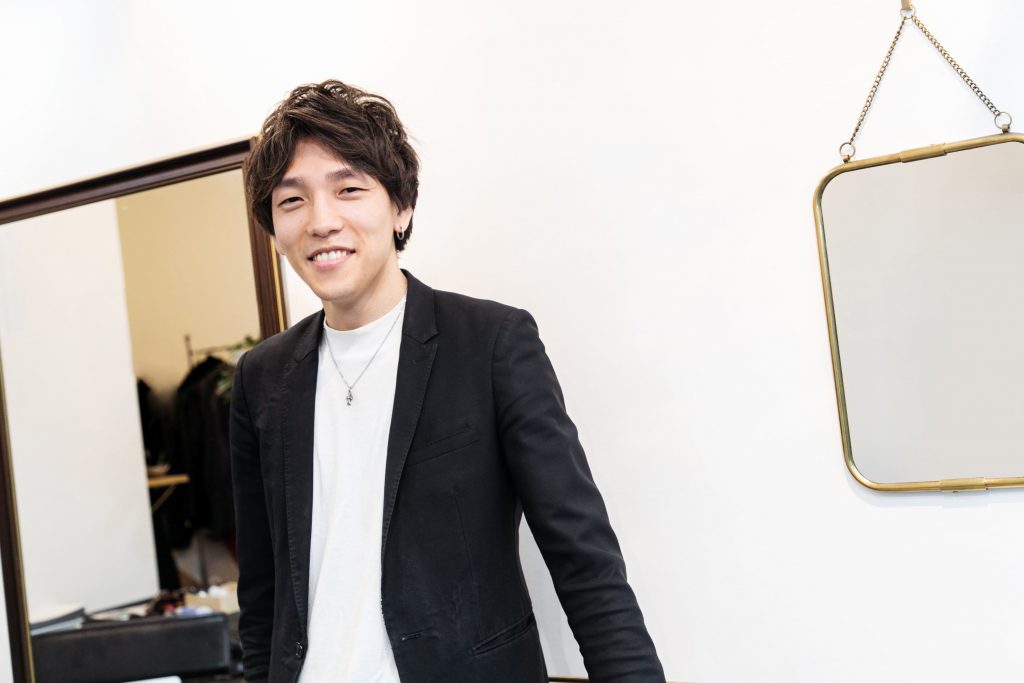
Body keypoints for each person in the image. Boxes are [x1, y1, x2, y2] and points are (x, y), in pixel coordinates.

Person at [231, 79, 664, 683]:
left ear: (400, 208)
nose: (321, 221)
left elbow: (584, 561)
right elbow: (262, 592)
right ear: (273, 228)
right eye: (292, 200)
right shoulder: (262, 376)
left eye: (349, 189)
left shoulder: (491, 343)